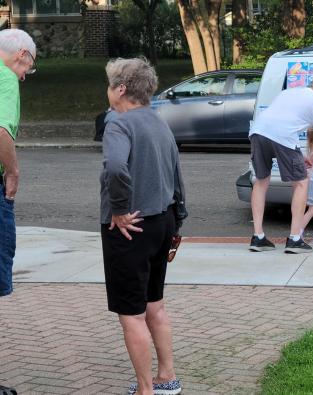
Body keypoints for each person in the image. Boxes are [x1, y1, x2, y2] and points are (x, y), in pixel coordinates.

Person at [100, 57, 185, 395]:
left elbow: (116, 167)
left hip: (130, 228)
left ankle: (145, 389)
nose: (107, 91)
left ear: (120, 89)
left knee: (131, 314)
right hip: (163, 222)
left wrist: (119, 210)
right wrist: (178, 221)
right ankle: (168, 377)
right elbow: (177, 174)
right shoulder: (159, 122)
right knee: (155, 305)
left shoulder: (118, 124)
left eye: (109, 85)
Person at [248, 79, 313, 254]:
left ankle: (258, 237)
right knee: (302, 182)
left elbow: (280, 123)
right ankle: (295, 239)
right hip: (282, 135)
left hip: (258, 131)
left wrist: (301, 157)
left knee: (261, 180)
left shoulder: (288, 93)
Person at [0, 27, 36, 395]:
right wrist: (13, 171)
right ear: (21, 54)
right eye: (30, 66)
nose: (26, 74)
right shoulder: (6, 78)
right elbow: (0, 130)